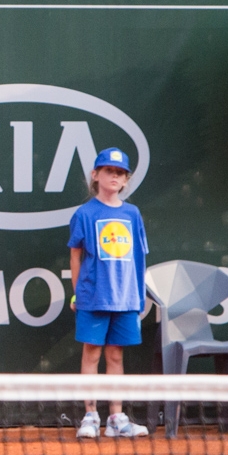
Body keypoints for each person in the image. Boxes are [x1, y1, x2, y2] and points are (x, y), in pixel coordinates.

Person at [68, 146, 150, 439]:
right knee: (91, 354)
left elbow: (139, 257)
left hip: (126, 298)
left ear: (125, 180)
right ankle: (90, 416)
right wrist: (77, 293)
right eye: (108, 171)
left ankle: (116, 417)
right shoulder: (84, 213)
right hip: (93, 296)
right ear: (96, 175)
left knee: (116, 357)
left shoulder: (132, 213)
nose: (114, 176)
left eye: (120, 173)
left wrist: (139, 296)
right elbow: (75, 257)